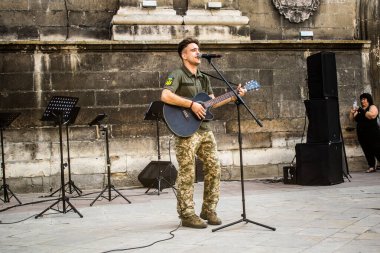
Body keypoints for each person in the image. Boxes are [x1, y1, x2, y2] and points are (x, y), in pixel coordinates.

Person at [161, 38, 246, 229]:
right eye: (193, 50)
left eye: (199, 50)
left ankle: (208, 209)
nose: (198, 52)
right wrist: (191, 104)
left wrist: (233, 96)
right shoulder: (177, 75)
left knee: (214, 167)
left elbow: (212, 103)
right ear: (184, 55)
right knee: (187, 172)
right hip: (185, 131)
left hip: (204, 129)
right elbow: (165, 95)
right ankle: (187, 214)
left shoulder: (205, 78)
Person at [349, 93, 380, 173]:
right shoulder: (359, 109)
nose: (362, 101)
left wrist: (361, 110)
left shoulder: (372, 107)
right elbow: (352, 119)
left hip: (373, 133)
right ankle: (371, 166)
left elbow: (372, 116)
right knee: (367, 150)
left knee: (376, 149)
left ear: (368, 99)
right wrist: (352, 112)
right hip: (362, 134)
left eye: (364, 99)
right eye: (361, 99)